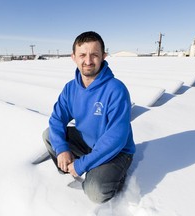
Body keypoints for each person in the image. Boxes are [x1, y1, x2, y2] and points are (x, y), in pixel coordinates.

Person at [43, 31, 136, 204]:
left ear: (103, 56)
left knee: (95, 192)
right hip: (88, 144)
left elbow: (116, 138)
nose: (88, 61)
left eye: (94, 55)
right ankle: (72, 168)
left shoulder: (116, 89)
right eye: (82, 55)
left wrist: (81, 165)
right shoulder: (71, 88)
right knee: (50, 135)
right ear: (73, 57)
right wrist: (62, 149)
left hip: (117, 152)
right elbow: (57, 119)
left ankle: (107, 175)